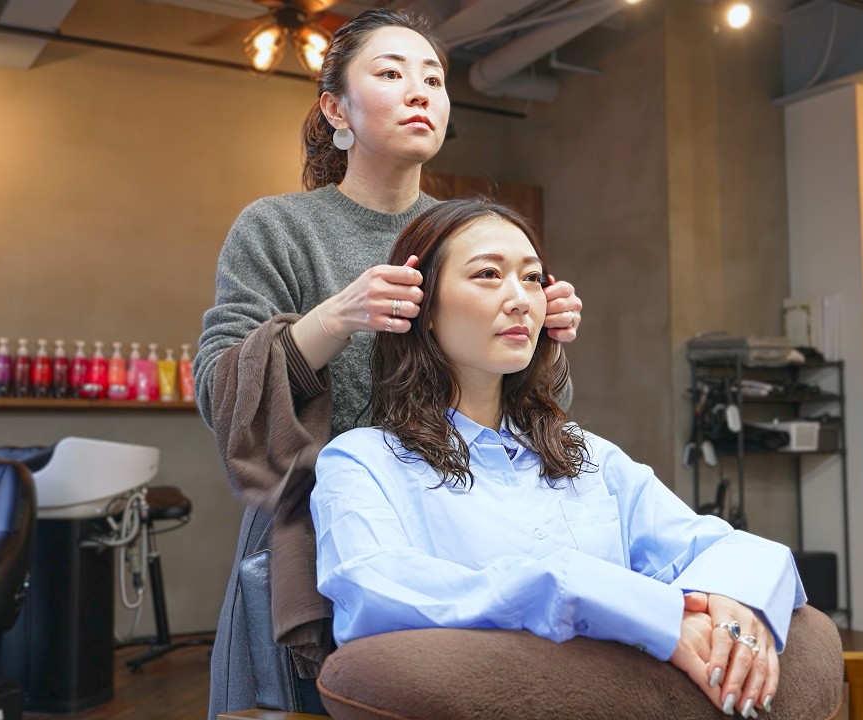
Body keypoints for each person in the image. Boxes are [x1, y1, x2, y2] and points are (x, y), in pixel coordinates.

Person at [195, 9, 585, 718]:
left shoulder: (469, 237)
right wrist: (335, 318)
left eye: (433, 79)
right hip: (315, 547)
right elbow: (222, 391)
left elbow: (522, 412)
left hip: (454, 538)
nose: (419, 92)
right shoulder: (278, 228)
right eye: (391, 73)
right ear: (335, 108)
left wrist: (541, 338)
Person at [311, 200, 807, 718]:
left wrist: (730, 606)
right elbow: (374, 593)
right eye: (487, 274)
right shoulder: (362, 461)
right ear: (425, 309)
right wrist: (617, 603)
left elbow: (738, 550)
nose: (520, 300)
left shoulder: (585, 454)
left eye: (532, 279)